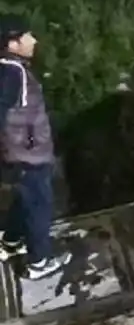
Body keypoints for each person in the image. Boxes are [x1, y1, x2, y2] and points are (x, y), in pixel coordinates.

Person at [0, 15, 71, 279]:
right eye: (27, 36)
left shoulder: (9, 68)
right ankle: (38, 262)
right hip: (27, 156)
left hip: (22, 152)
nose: (34, 40)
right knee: (41, 206)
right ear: (12, 44)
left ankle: (10, 241)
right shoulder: (12, 73)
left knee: (25, 197)